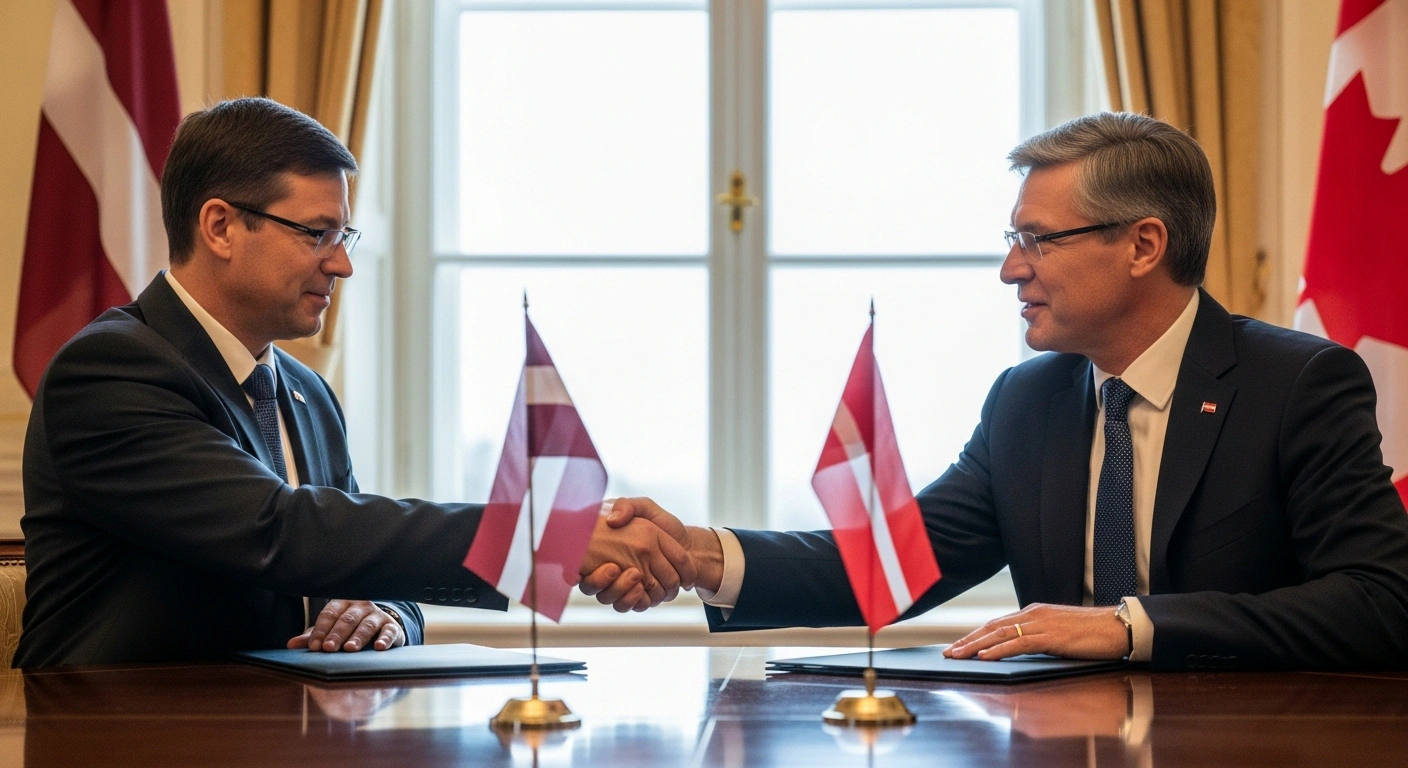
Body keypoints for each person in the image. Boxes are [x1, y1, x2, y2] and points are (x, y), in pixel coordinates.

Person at [586, 112, 1408, 670]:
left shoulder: (1297, 383)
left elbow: (1379, 602)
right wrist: (694, 553)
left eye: (1038, 241)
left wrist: (1131, 628)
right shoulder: (1027, 402)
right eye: (1014, 240)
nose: (1012, 268)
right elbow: (892, 566)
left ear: (1144, 244)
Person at [15, 98, 677, 668]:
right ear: (219, 226)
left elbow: (357, 555)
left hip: (281, 736)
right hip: (120, 735)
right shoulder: (109, 372)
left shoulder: (304, 392)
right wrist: (544, 539)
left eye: (345, 235)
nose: (341, 264)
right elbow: (280, 531)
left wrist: (386, 615)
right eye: (316, 233)